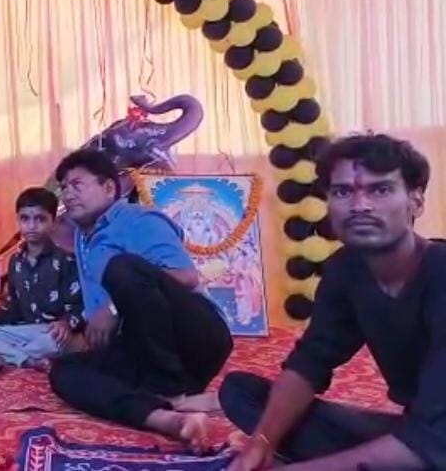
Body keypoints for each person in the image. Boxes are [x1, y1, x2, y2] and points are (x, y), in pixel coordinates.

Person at [221, 134, 445, 471]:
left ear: (416, 201)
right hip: (422, 429)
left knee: (427, 446)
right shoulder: (347, 268)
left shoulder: (440, 273)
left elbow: (436, 436)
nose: (359, 206)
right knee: (243, 394)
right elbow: (311, 361)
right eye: (342, 192)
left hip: (436, 436)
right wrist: (262, 443)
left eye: (380, 190)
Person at [47, 149, 233, 447]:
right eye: (64, 187)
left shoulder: (137, 220)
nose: (68, 194)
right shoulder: (83, 235)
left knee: (121, 267)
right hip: (145, 347)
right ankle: (166, 417)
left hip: (196, 337)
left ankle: (169, 389)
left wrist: (111, 309)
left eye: (77, 184)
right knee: (65, 371)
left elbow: (186, 276)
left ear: (109, 188)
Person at [0, 187, 84, 366]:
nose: (31, 226)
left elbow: (81, 306)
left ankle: (12, 355)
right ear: (18, 220)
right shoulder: (15, 261)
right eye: (25, 219)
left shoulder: (66, 260)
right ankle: (26, 359)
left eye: (40, 219)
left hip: (50, 333)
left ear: (53, 221)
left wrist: (65, 324)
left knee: (51, 341)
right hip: (23, 331)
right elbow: (13, 310)